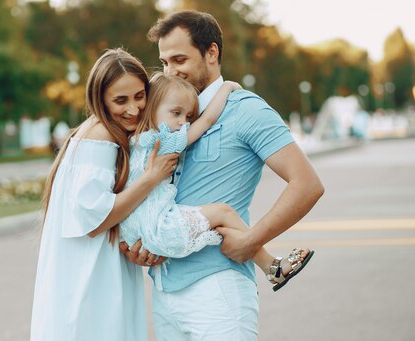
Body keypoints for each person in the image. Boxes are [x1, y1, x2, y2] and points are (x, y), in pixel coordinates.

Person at [121, 10, 325, 341]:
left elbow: (307, 184)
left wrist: (251, 239)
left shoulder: (246, 109)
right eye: (163, 62)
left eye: (179, 59)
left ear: (211, 52)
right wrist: (140, 244)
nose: (169, 70)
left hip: (217, 289)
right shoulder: (161, 110)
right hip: (164, 287)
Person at [26, 48, 180, 341]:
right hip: (91, 284)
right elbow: (96, 219)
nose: (134, 109)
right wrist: (152, 178)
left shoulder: (92, 132)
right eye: (120, 100)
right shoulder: (100, 141)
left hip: (86, 278)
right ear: (100, 98)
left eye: (140, 96)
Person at [120, 72, 314, 291]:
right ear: (151, 107)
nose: (183, 122)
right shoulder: (164, 140)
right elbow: (207, 121)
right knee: (224, 213)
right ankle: (271, 265)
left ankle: (272, 266)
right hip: (160, 226)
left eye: (187, 117)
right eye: (176, 113)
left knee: (219, 223)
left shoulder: (133, 140)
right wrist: (227, 87)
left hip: (139, 230)